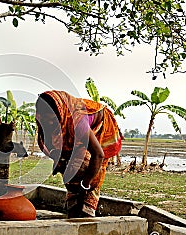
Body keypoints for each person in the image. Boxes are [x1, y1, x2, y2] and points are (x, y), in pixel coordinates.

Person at [35, 90, 122, 218]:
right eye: (45, 120)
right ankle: (73, 202)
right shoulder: (43, 120)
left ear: (60, 112)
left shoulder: (76, 120)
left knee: (84, 164)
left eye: (53, 120)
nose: (49, 124)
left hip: (100, 127)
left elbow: (98, 154)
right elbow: (46, 143)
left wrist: (85, 183)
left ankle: (87, 207)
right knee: (70, 166)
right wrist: (58, 160)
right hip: (78, 133)